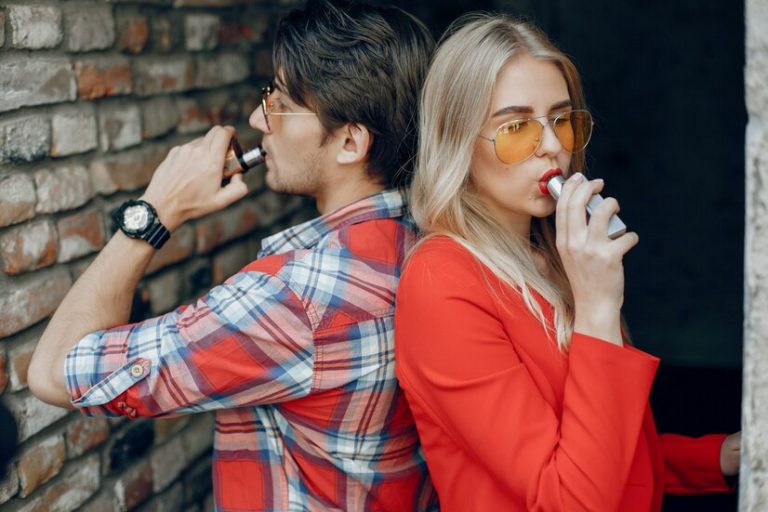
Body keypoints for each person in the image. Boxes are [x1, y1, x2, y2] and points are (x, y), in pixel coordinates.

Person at [27, 1, 437, 510]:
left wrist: (156, 211)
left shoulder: (294, 300)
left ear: (350, 141)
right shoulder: (428, 241)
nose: (256, 116)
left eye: (280, 101)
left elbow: (53, 371)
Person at [394, 13, 740, 512]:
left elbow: (602, 446)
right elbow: (570, 498)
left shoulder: (551, 253)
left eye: (562, 120)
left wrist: (716, 457)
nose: (553, 146)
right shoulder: (441, 282)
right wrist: (598, 305)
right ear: (457, 142)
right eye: (516, 128)